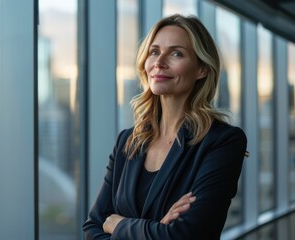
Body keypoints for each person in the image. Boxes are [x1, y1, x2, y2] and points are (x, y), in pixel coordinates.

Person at [83, 14, 247, 239]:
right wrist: (156, 229)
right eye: (154, 52)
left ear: (202, 69)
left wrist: (117, 224)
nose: (159, 62)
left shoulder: (222, 141)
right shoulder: (128, 141)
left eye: (176, 53)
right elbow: (92, 229)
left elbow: (186, 234)